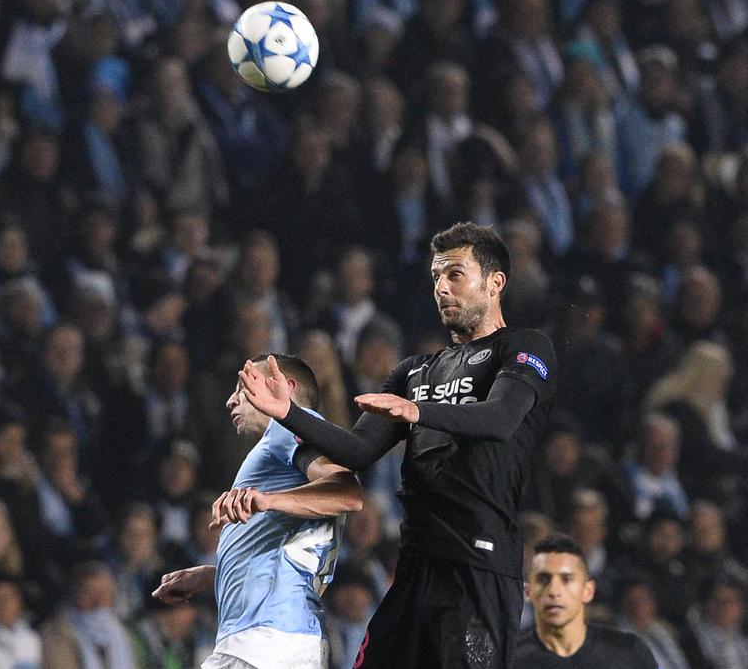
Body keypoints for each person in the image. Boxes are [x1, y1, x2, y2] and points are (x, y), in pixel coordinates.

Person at [237, 223, 557, 668]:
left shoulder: (523, 346)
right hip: (414, 569)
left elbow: (501, 419)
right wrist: (290, 412)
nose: (441, 288)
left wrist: (418, 413)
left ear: (495, 282)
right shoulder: (414, 372)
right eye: (436, 278)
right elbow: (356, 451)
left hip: (477, 569)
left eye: (455, 275)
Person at [152, 354, 363, 669]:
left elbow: (347, 492)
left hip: (261, 641)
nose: (230, 400)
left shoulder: (287, 428)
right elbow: (288, 556)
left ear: (286, 387)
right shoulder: (288, 448)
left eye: (244, 386)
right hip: (284, 640)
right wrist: (217, 574)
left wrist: (268, 500)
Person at [515, 533, 656, 667]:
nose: (554, 591)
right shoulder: (511, 657)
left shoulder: (629, 650)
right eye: (544, 580)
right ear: (529, 592)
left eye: (567, 580)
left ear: (587, 591)